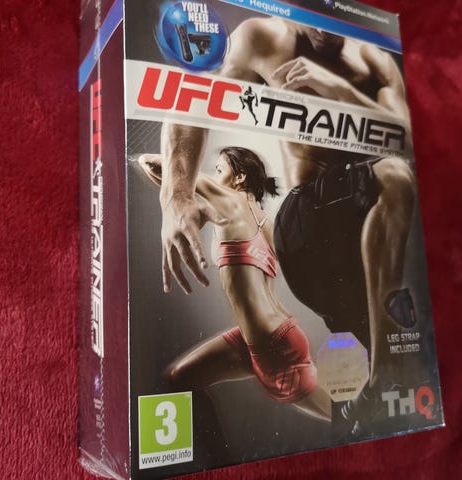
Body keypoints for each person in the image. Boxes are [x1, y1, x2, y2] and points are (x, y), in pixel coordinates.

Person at [157, 18, 416, 426]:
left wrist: (338, 91)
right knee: (395, 178)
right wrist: (176, 195)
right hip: (307, 226)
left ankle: (367, 409)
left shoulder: (376, 62)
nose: (321, 29)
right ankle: (381, 380)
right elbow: (190, 97)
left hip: (358, 252)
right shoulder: (264, 37)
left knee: (400, 364)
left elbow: (408, 139)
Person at [138, 147, 331, 422]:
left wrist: (176, 194)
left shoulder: (228, 200)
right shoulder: (269, 224)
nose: (214, 176)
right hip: (269, 336)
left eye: (219, 170)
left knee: (345, 418)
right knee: (181, 378)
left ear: (239, 178)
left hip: (272, 345)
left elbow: (153, 162)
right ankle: (212, 451)